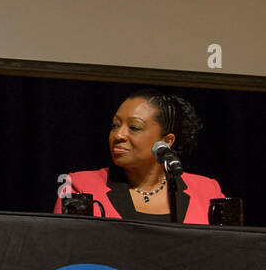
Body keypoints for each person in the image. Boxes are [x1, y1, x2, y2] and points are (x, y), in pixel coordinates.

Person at [55, 90, 223, 223]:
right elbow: (68, 254)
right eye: (115, 125)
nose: (118, 135)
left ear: (167, 141)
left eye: (134, 127)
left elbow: (229, 254)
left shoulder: (207, 191)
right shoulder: (80, 186)